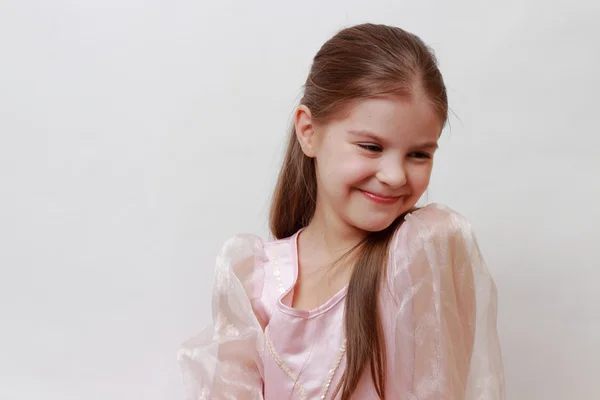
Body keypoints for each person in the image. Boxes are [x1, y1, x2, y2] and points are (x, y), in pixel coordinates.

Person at [178, 23, 505, 399]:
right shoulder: (253, 277)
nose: (394, 175)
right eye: (370, 147)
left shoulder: (419, 251)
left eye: (419, 154)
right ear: (309, 131)